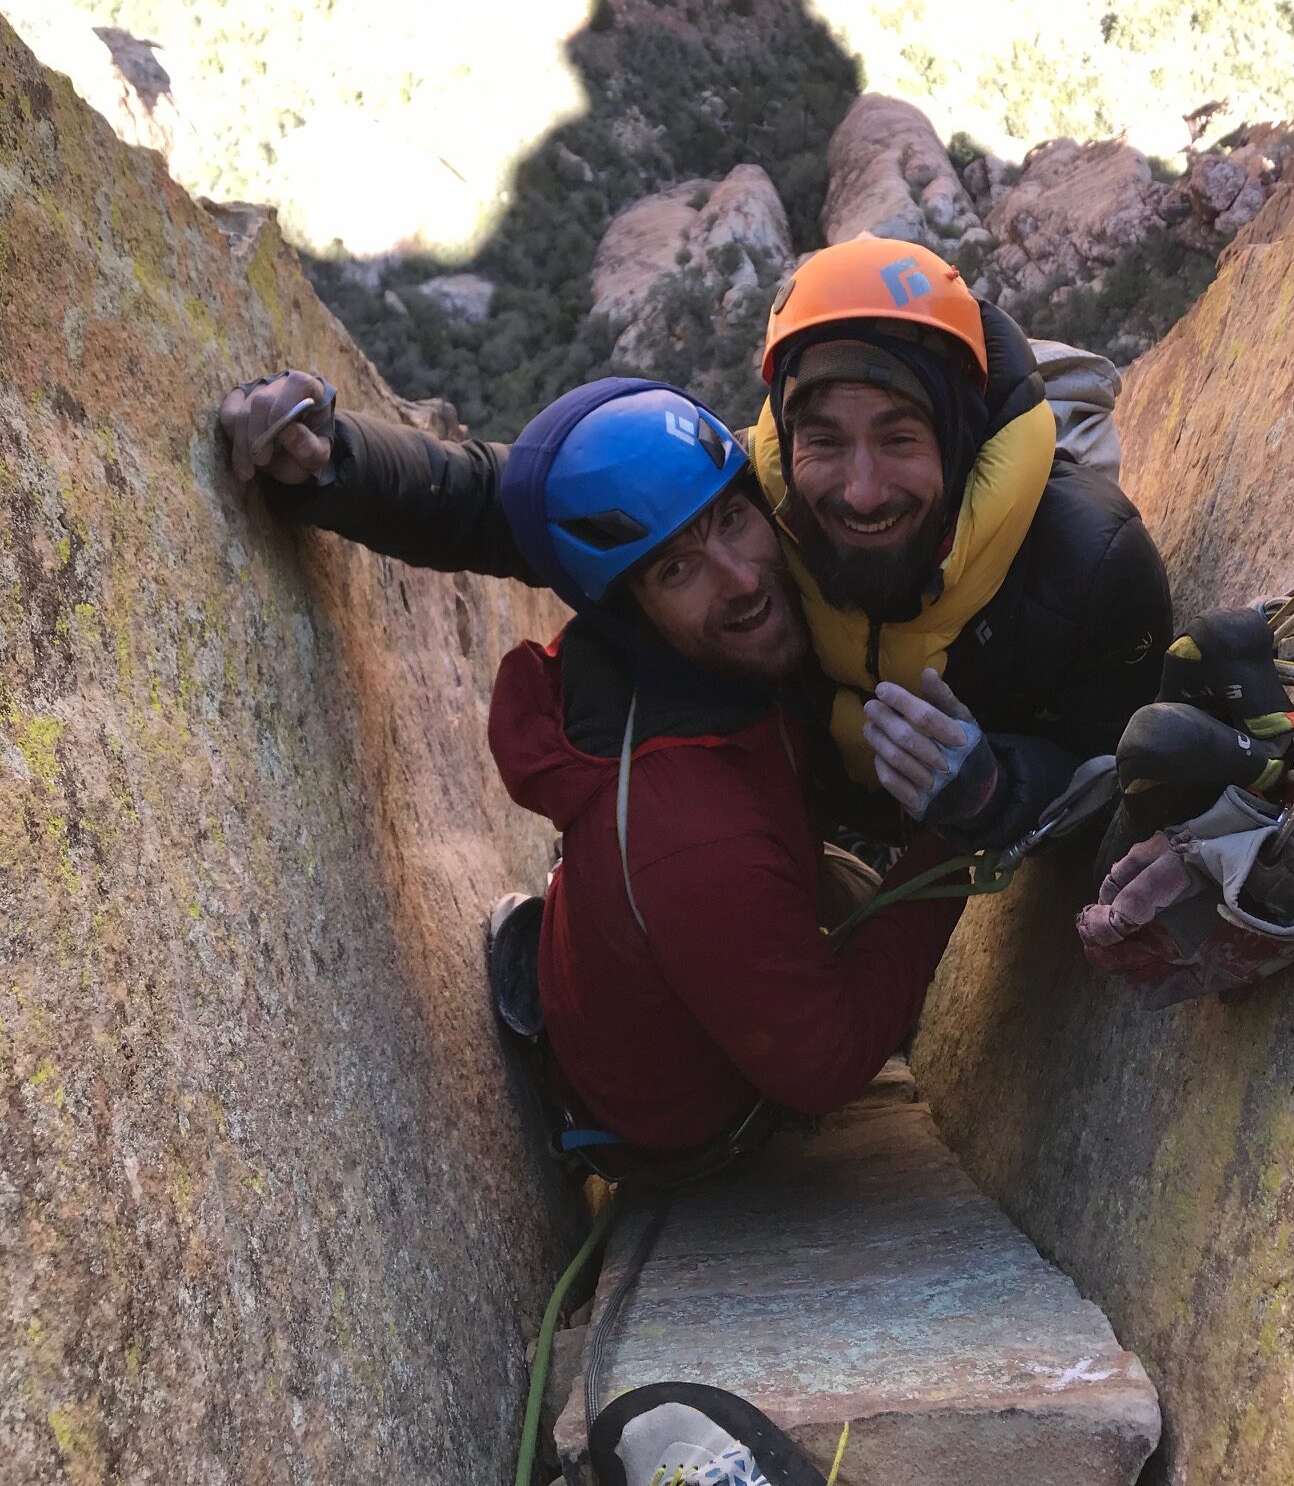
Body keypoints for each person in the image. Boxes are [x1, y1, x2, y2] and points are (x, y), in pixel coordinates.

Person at [218, 372, 965, 1157]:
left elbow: (487, 496)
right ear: (626, 606)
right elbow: (826, 1066)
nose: (741, 580)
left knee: (825, 884)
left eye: (732, 520)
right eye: (676, 569)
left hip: (685, 895)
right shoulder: (697, 836)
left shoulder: (695, 665)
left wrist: (336, 457)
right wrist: (953, 841)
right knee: (858, 915)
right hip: (695, 1130)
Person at [748, 238, 1173, 851]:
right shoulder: (754, 528)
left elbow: (1125, 788)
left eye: (899, 439)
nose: (862, 493)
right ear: (788, 447)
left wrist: (997, 790)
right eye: (825, 442)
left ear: (958, 440)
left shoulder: (1093, 567)